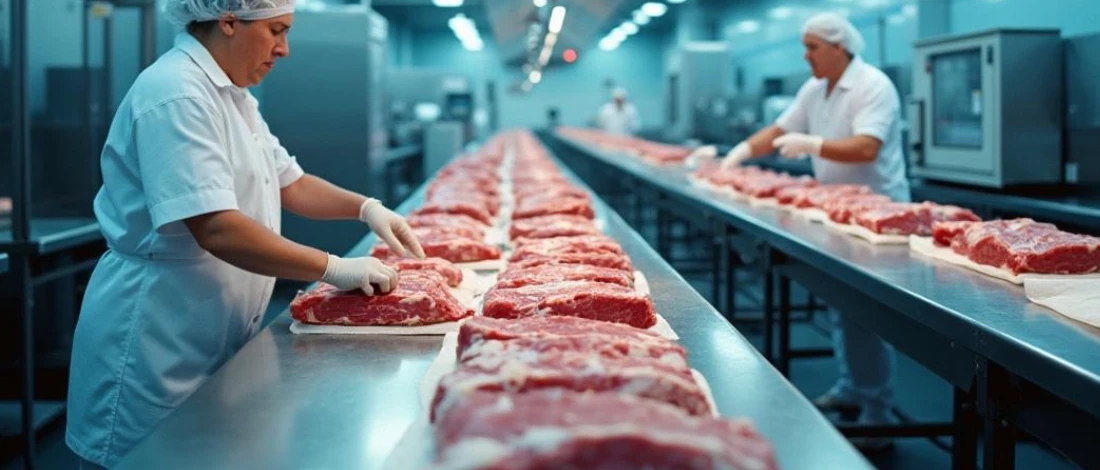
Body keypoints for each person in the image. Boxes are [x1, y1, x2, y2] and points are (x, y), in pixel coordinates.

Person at [65, 1, 425, 467]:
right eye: (276, 30)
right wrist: (332, 267)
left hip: (211, 325)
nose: (285, 49)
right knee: (148, 457)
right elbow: (216, 229)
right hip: (157, 337)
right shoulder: (176, 93)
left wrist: (365, 208)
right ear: (229, 21)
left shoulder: (233, 96)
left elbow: (291, 183)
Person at [719, 12, 909, 452]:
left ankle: (877, 412)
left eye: (812, 47)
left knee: (864, 313)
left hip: (877, 216)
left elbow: (868, 145)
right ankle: (850, 386)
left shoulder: (872, 85)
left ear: (838, 47)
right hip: (835, 210)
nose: (805, 56)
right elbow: (781, 130)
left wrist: (814, 145)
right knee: (840, 305)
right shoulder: (814, 89)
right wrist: (742, 152)